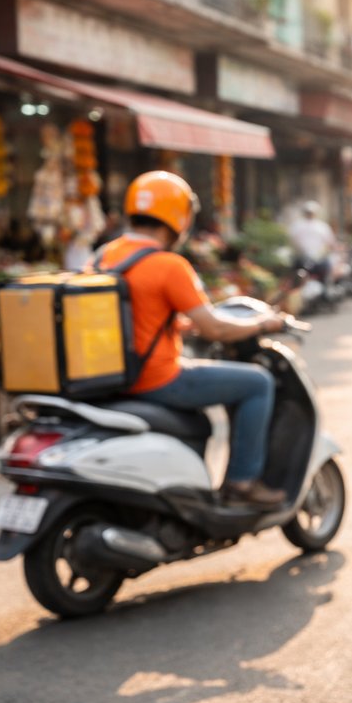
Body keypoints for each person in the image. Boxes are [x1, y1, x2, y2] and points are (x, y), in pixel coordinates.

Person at [98, 171, 290, 509]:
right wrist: (263, 324)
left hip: (112, 376)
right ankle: (242, 482)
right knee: (258, 383)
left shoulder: (102, 257)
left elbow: (128, 315)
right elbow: (216, 329)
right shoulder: (169, 265)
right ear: (178, 218)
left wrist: (177, 324)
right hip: (156, 378)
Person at [286, 200, 336, 283]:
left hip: (313, 260)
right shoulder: (320, 226)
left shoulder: (298, 225)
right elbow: (331, 243)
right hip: (305, 260)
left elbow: (291, 241)